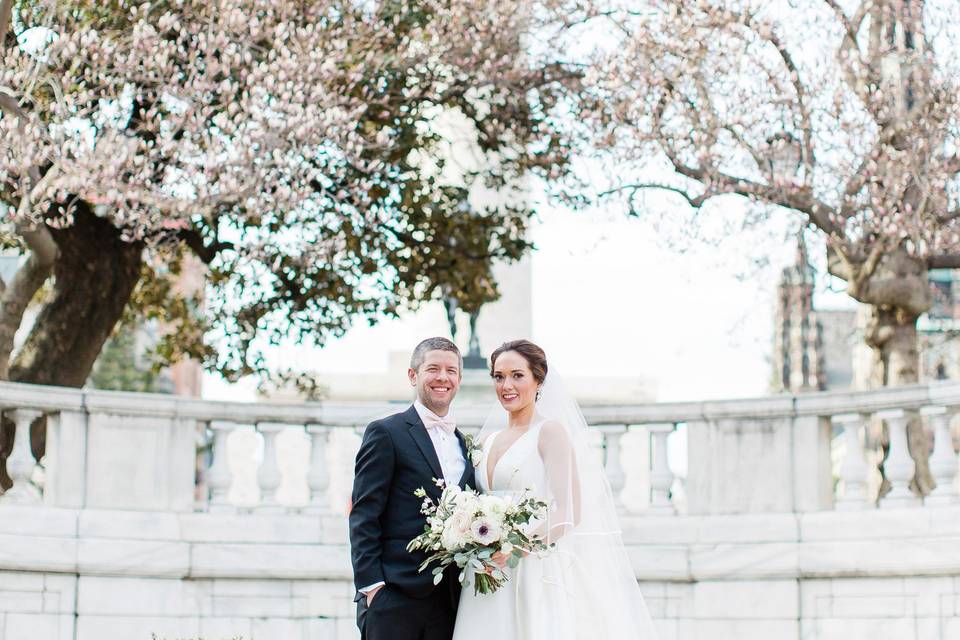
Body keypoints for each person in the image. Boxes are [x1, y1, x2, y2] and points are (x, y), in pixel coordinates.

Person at [453, 339, 660, 640]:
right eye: (499, 376)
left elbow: (569, 511)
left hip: (530, 570)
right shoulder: (487, 440)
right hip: (485, 571)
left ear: (538, 380)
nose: (506, 385)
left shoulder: (549, 432)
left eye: (517, 375)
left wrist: (517, 548)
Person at [350, 337, 476, 640]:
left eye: (451, 370)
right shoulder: (385, 432)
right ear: (413, 375)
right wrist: (373, 588)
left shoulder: (467, 446)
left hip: (451, 604)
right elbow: (364, 515)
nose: (442, 377)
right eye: (433, 369)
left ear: (459, 379)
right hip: (394, 598)